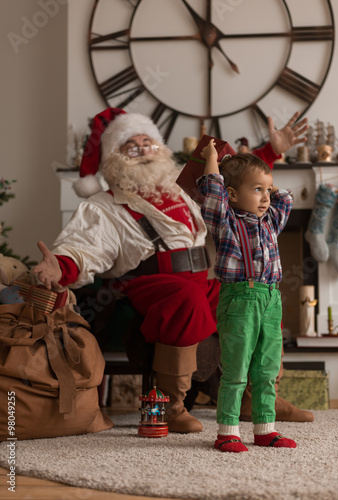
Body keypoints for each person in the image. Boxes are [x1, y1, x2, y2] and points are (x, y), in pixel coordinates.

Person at [33, 107, 311, 434]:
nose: (143, 151)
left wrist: (271, 151)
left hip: (200, 280)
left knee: (258, 298)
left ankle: (257, 396)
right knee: (186, 297)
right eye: (131, 146)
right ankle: (170, 405)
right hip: (148, 283)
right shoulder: (103, 206)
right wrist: (60, 266)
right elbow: (84, 246)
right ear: (113, 158)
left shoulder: (180, 189)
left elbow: (234, 188)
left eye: (148, 142)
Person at [198, 139, 296, 452]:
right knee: (237, 369)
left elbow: (285, 199)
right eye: (257, 190)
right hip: (240, 299)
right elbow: (212, 191)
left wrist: (263, 178)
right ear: (233, 194)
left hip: (271, 300)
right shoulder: (224, 222)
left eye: (266, 190)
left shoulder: (271, 222)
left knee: (267, 369)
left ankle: (265, 429)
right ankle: (227, 431)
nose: (266, 197)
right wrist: (214, 159)